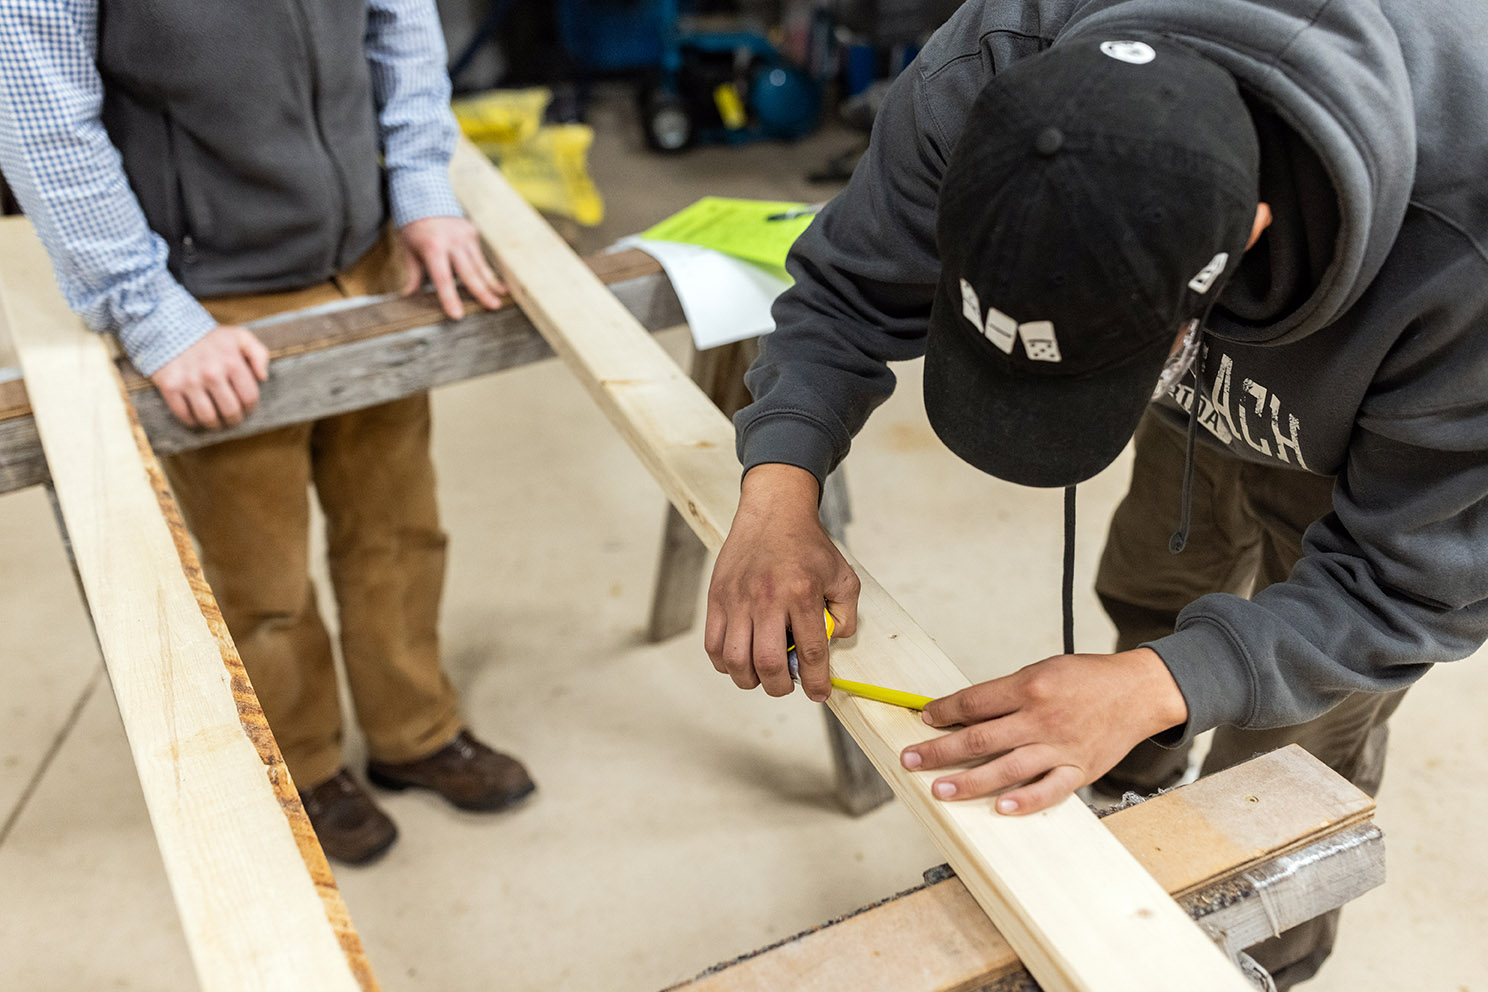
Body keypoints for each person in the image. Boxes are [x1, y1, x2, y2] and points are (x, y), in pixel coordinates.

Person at [703, 0, 1488, 985]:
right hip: (1210, 354)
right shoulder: (997, 62)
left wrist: (1168, 682)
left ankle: (1268, 955)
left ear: (1237, 243)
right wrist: (778, 492)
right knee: (1154, 578)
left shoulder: (1465, 242)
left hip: (1377, 399)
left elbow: (1411, 583)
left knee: (1285, 760)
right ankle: (1128, 775)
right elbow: (844, 291)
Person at [0, 0, 536, 864]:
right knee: (263, 574)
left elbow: (399, 20)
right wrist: (153, 314)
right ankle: (306, 765)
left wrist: (425, 192)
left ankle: (415, 731)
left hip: (365, 260)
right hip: (214, 295)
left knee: (399, 526)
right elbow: (39, 114)